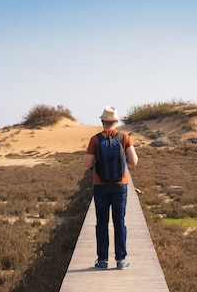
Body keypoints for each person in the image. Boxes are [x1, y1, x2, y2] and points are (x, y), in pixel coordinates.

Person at [85, 106, 139, 270]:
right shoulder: (125, 138)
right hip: (120, 186)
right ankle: (121, 260)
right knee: (119, 222)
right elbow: (134, 162)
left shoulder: (95, 140)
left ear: (102, 121)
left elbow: (87, 164)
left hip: (100, 186)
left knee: (102, 222)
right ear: (116, 121)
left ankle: (102, 260)